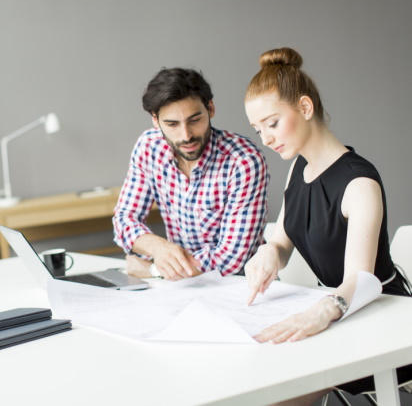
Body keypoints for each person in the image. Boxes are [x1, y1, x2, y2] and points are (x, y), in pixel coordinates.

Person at [243, 47, 412, 405]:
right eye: (258, 130)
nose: (266, 139)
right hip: (336, 310)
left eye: (272, 123)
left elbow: (360, 281)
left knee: (272, 394)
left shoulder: (359, 183)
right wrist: (270, 252)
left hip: (382, 315)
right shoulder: (298, 168)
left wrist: (323, 311)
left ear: (305, 107)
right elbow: (282, 243)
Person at [113, 67, 269, 281]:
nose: (186, 135)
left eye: (194, 120)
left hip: (241, 286)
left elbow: (231, 259)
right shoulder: (149, 147)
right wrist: (159, 248)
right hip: (182, 289)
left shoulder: (243, 161)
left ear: (210, 109)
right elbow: (124, 220)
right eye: (172, 124)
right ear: (155, 120)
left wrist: (154, 270)